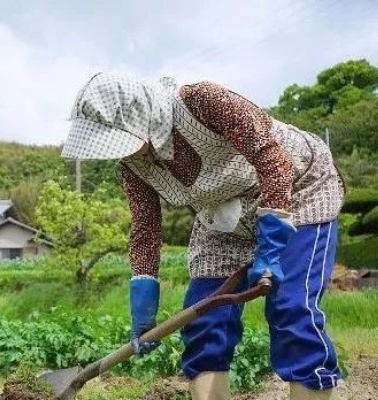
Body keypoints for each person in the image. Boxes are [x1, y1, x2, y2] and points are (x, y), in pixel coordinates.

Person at [59, 72, 345, 400]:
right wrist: (143, 301)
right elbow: (145, 228)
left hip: (297, 192)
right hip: (223, 218)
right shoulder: (132, 165)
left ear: (138, 118)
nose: (122, 152)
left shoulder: (202, 101)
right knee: (204, 321)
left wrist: (270, 247)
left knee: (291, 309)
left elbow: (274, 163)